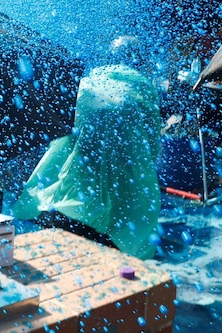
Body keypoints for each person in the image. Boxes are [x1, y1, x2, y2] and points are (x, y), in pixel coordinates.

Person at [12, 45, 162, 259]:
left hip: (68, 190)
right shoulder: (142, 95)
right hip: (120, 200)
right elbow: (150, 150)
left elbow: (61, 135)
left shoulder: (88, 86)